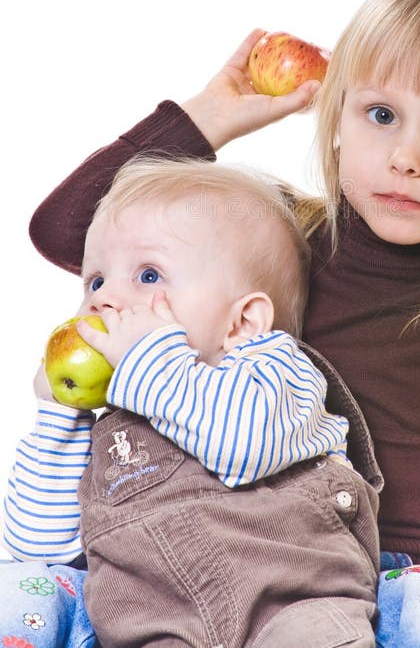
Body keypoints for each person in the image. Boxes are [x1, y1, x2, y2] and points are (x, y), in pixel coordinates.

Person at [25, 0, 420, 646]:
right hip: (191, 553)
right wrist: (210, 118)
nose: (405, 157)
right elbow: (72, 232)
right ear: (341, 115)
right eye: (381, 115)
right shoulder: (284, 239)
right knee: (23, 600)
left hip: (388, 581)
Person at [3, 157, 382, 647]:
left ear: (242, 322)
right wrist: (60, 416)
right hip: (155, 628)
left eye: (148, 276)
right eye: (95, 281)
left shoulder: (274, 372)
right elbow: (37, 545)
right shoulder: (113, 426)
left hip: (292, 606)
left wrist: (146, 361)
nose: (105, 299)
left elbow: (243, 447)